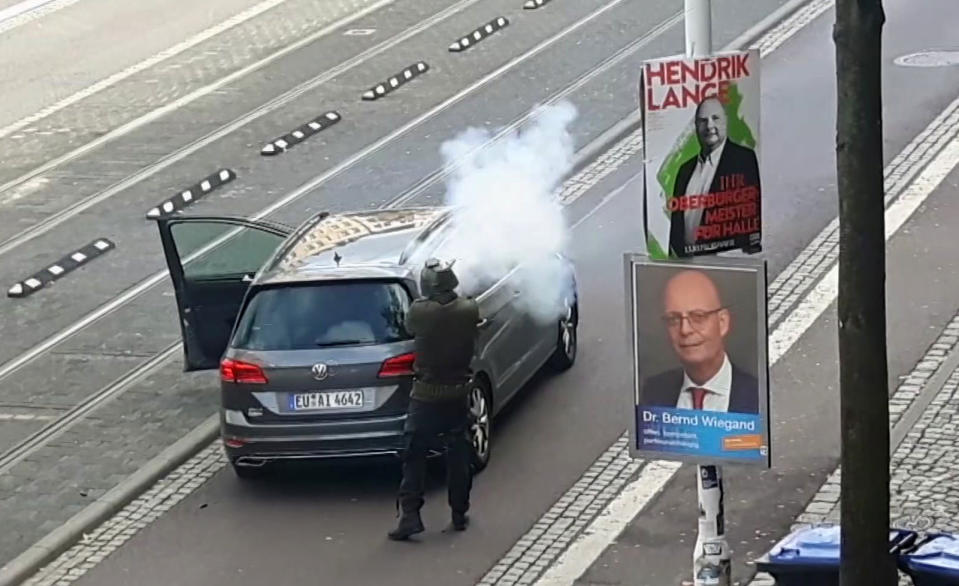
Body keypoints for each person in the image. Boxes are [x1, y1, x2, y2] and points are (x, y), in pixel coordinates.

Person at [388, 258, 481, 541]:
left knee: (414, 455)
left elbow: (408, 324)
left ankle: (411, 516)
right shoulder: (468, 308)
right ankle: (459, 512)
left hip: (426, 395)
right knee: (458, 454)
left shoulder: (420, 312)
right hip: (458, 392)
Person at [640, 269, 759, 414]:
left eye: (698, 317)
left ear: (722, 323)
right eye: (673, 319)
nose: (685, 330)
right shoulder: (654, 392)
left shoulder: (758, 394)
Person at [669, 96, 761, 257]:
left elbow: (751, 209)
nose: (709, 126)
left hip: (726, 259)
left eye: (715, 118)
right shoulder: (684, 170)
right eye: (703, 120)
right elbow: (676, 226)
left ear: (725, 121)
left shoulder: (743, 159)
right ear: (696, 127)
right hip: (688, 262)